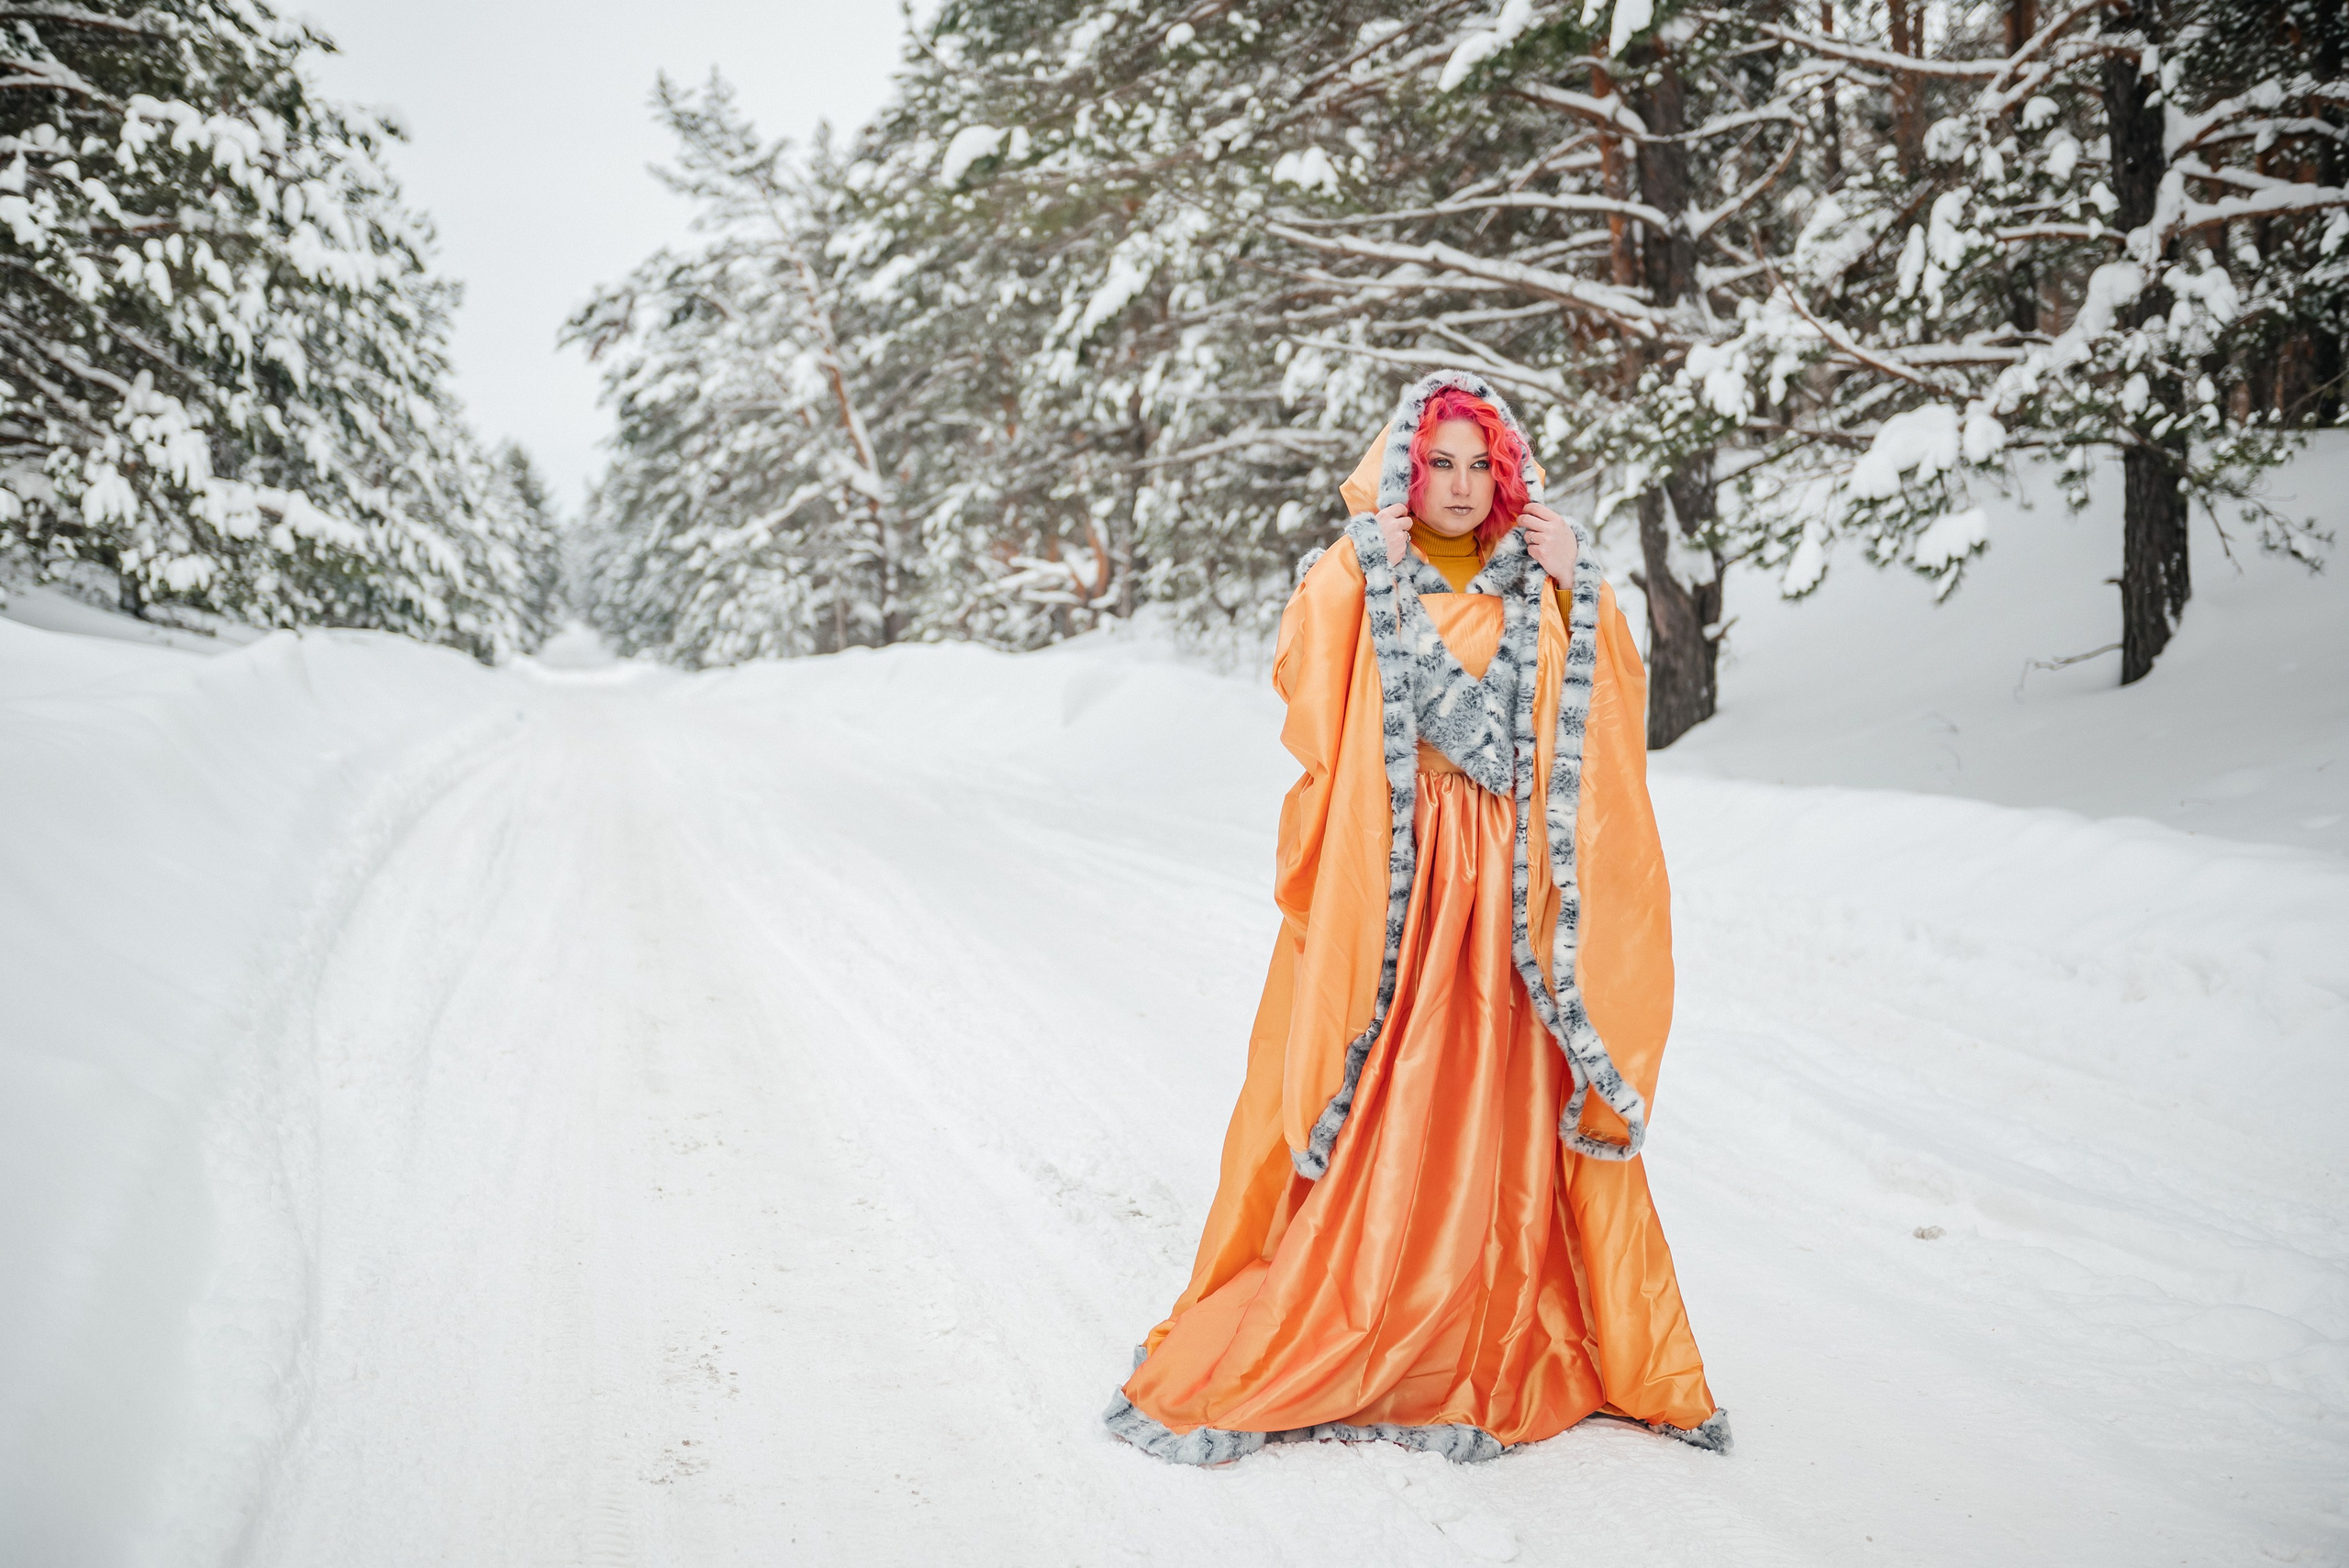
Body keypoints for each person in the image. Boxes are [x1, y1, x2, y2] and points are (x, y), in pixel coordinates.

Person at [1104, 370, 1729, 1465]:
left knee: (1502, 1090)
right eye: (1435, 461)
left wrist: (1586, 588)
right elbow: (1304, 689)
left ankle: (1489, 1312)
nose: (1455, 481)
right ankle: (1369, 1309)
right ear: (1402, 469)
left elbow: (1609, 718)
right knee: (1391, 1079)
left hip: (1511, 882)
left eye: (1477, 462)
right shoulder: (1354, 569)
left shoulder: (1540, 579)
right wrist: (1357, 567)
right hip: (1400, 881)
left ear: (1505, 472)